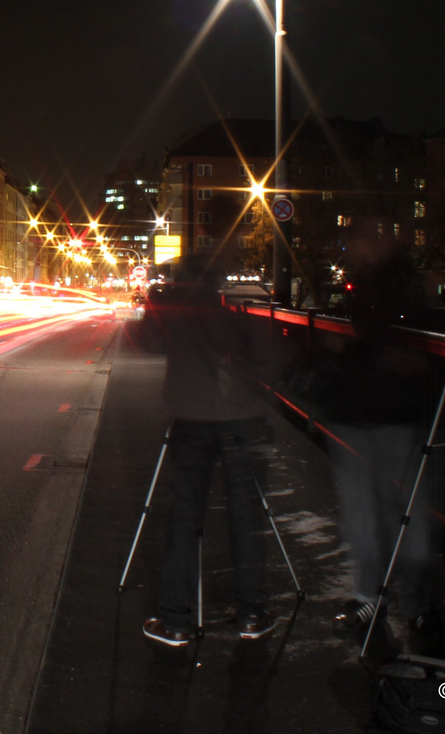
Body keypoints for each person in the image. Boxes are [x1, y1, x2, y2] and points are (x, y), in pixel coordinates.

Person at [136, 255, 281, 647]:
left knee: (185, 517)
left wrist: (157, 301)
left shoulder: (176, 310)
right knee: (247, 516)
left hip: (192, 418)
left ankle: (176, 619)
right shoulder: (237, 307)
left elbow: (147, 341)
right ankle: (251, 613)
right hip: (243, 419)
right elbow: (264, 358)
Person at [313, 239, 443, 655]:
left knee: (371, 514)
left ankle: (377, 599)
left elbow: (365, 335)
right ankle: (413, 604)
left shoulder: (372, 292)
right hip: (389, 413)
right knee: (400, 514)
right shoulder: (402, 288)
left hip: (366, 413)